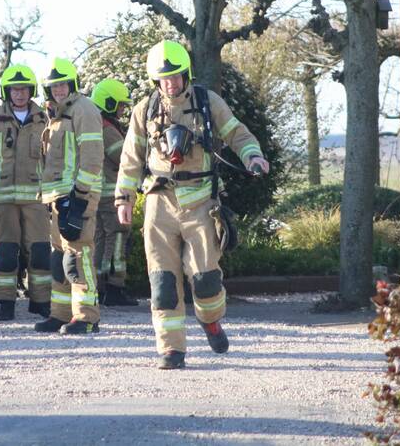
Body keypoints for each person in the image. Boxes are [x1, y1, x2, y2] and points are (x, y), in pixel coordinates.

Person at [116, 41, 269, 370]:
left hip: (201, 201)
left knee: (206, 281)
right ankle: (171, 349)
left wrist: (253, 156)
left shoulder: (207, 102)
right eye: (164, 78)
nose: (171, 83)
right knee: (163, 283)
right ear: (155, 80)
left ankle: (210, 321)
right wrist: (124, 198)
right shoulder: (145, 109)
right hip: (159, 202)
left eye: (176, 76)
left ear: (186, 74)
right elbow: (130, 158)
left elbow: (237, 133)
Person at [0, 64, 51, 322]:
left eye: (24, 89)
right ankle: (6, 303)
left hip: (36, 199)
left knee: (40, 252)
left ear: (31, 90)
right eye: (15, 90)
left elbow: (52, 159)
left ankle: (40, 302)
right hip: (3, 200)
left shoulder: (44, 119)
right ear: (7, 92)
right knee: (6, 254)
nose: (19, 94)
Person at [34, 57, 103, 335]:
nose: (59, 90)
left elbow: (92, 157)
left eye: (63, 85)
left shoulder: (83, 109)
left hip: (77, 196)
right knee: (59, 258)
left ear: (72, 84)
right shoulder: (55, 113)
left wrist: (80, 196)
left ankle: (87, 317)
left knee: (78, 256)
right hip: (57, 197)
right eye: (54, 86)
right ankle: (60, 314)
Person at [89, 78, 138, 307]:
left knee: (100, 241)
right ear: (108, 103)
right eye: (120, 105)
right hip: (111, 197)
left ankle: (99, 287)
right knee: (117, 239)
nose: (122, 110)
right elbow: (125, 160)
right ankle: (115, 287)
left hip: (97, 194)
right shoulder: (108, 130)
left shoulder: (94, 124)